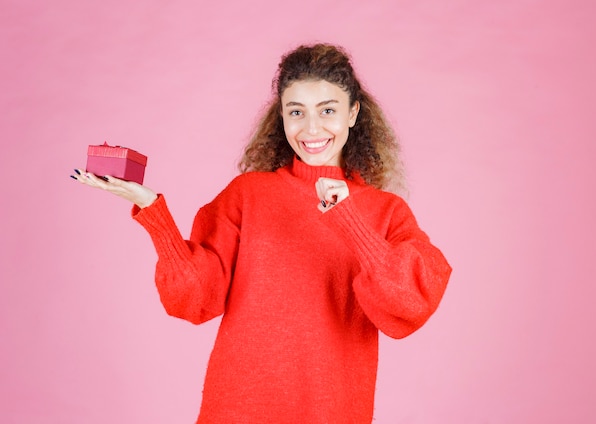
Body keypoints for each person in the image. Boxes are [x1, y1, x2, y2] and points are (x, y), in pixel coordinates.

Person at [72, 43, 452, 424]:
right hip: (238, 408)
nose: (312, 128)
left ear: (353, 113)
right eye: (296, 112)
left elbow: (409, 306)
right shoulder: (248, 194)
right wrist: (155, 211)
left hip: (331, 410)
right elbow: (194, 299)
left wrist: (348, 219)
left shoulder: (386, 211)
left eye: (328, 111)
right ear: (281, 117)